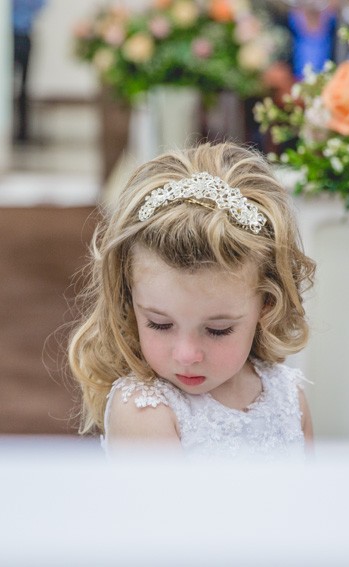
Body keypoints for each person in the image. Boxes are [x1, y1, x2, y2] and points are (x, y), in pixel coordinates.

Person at [68, 142, 316, 458]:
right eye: (160, 324)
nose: (187, 355)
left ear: (267, 304)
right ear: (129, 300)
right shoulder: (145, 411)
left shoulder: (288, 398)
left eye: (218, 329)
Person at [12, 0, 45, 143]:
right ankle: (7, 127)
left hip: (24, 35)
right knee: (6, 87)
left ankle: (22, 131)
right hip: (7, 36)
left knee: (24, 87)